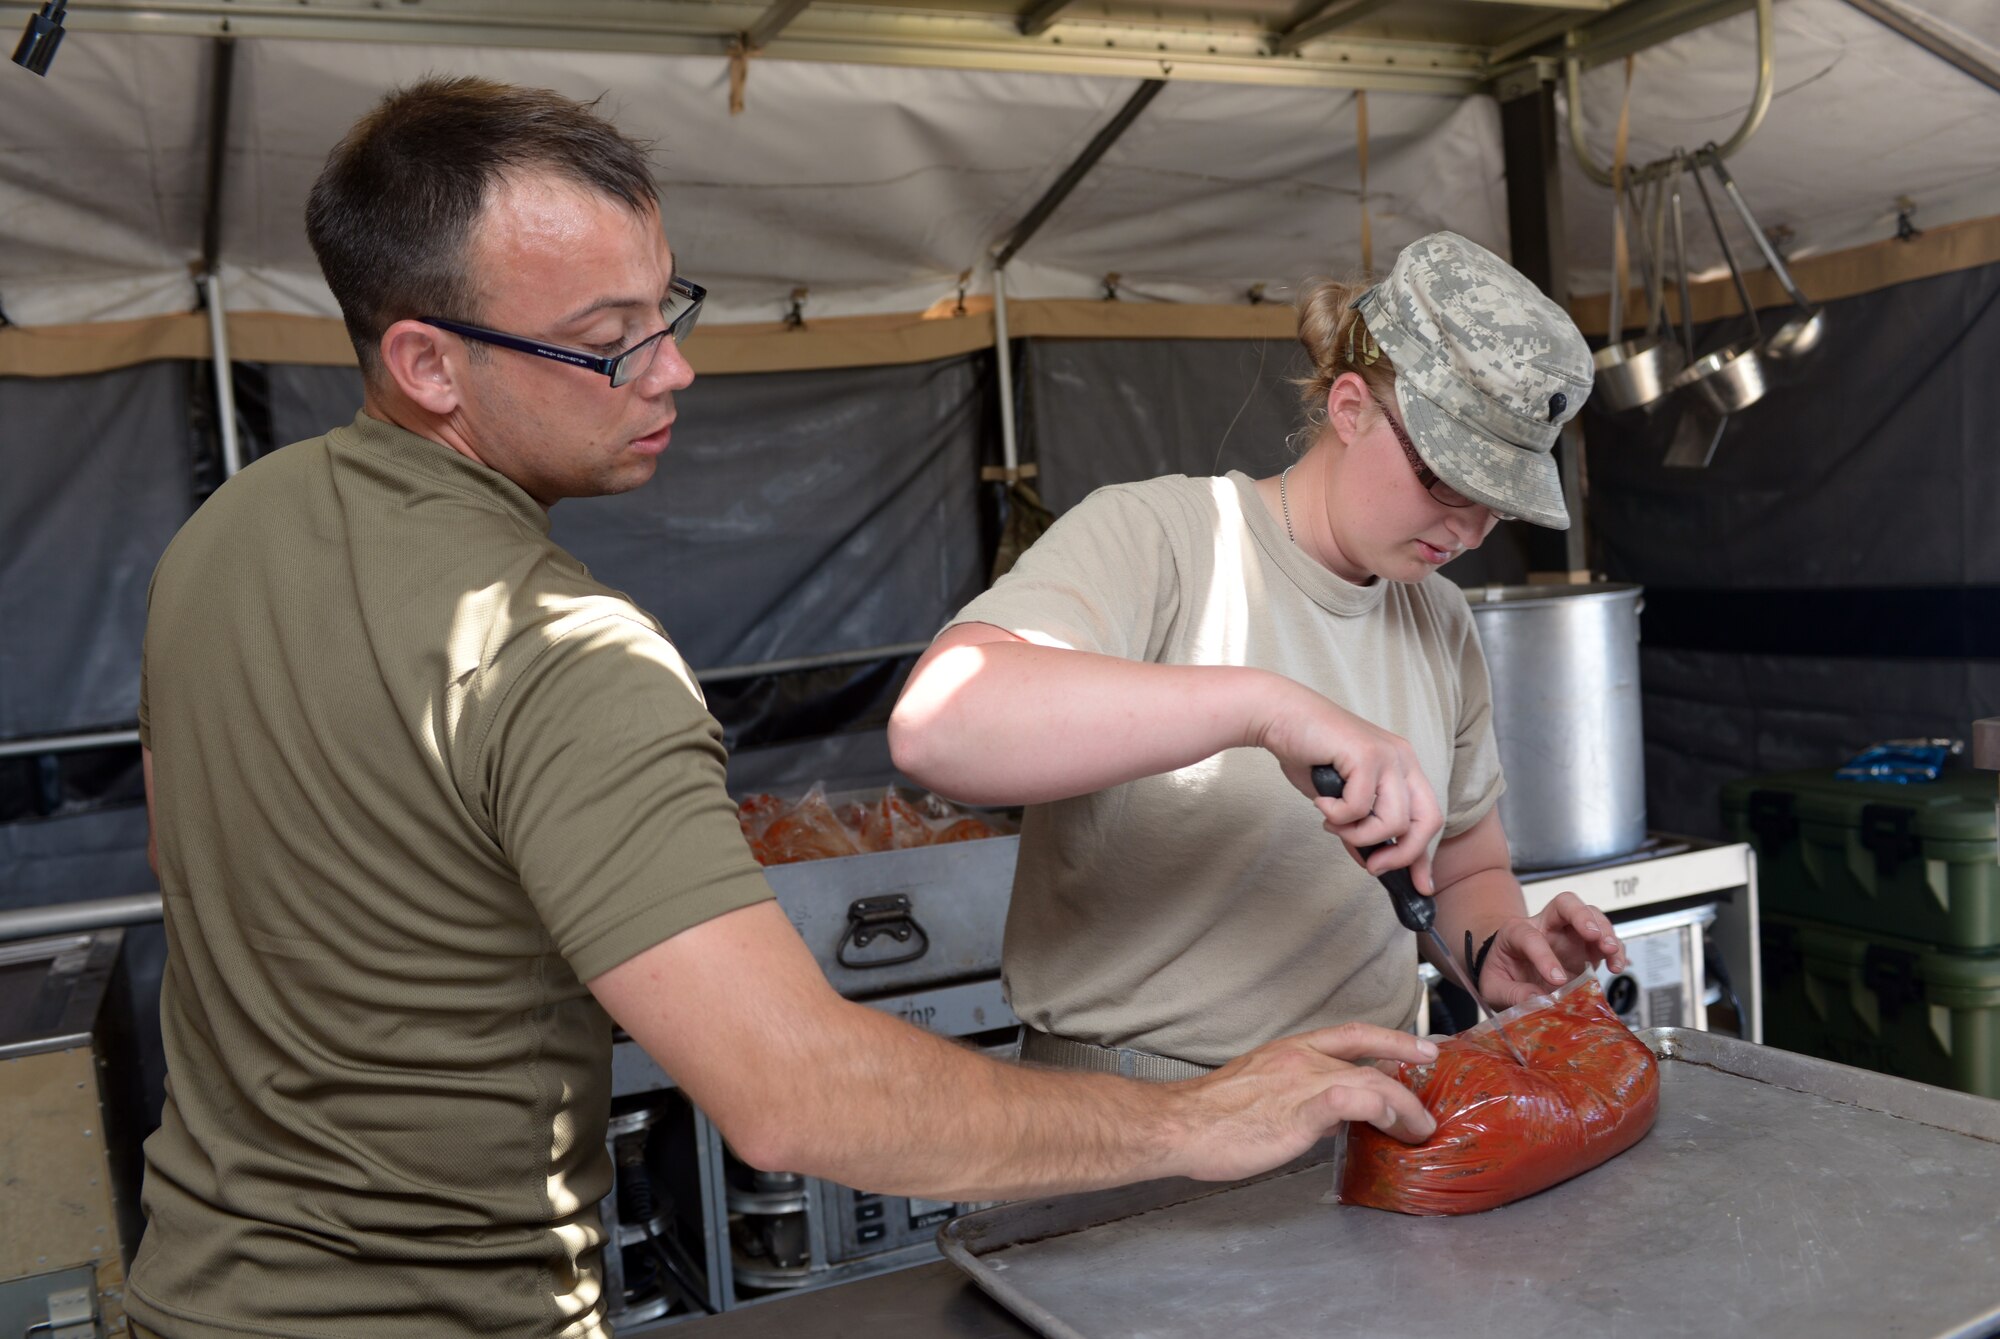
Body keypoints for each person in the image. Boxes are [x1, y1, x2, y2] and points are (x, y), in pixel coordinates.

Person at [127, 78, 1442, 1339]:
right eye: (607, 342)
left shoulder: (220, 540)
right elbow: (794, 1096)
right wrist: (1191, 1121)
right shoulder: (565, 655)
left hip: (190, 1291)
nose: (675, 370)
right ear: (426, 361)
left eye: (668, 306)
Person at [889, 232, 1633, 1080]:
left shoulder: (1442, 622)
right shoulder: (1160, 540)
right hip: (1138, 1129)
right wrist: (1269, 710)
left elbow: (1468, 865)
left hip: (1367, 1114)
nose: (1467, 531)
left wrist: (1498, 952)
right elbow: (937, 725)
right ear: (1350, 408)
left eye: (1495, 503)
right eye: (1444, 481)